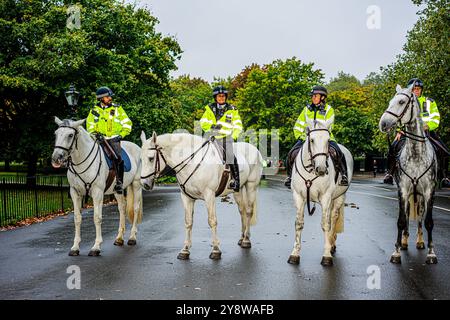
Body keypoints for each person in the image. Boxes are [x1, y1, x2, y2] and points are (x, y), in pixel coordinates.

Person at [383, 78, 449, 187]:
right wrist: (400, 130)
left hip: (426, 131)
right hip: (408, 132)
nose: (416, 91)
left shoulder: (429, 101)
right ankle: (389, 173)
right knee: (393, 147)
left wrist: (428, 126)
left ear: (421, 90)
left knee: (443, 150)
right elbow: (400, 116)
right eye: (414, 89)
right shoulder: (406, 100)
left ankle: (444, 176)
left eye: (418, 89)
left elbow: (436, 118)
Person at [284, 85, 349, 189]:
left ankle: (344, 175)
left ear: (322, 97)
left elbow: (330, 126)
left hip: (324, 138)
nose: (313, 98)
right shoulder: (306, 109)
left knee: (338, 152)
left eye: (315, 96)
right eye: (312, 96)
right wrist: (301, 136)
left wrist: (322, 135)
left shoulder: (329, 110)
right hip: (306, 138)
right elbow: (298, 125)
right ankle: (289, 177)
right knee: (291, 153)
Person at [86, 87, 132, 194]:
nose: (110, 98)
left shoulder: (117, 109)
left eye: (110, 96)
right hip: (99, 139)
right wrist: (95, 134)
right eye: (108, 97)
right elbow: (90, 126)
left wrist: (121, 135)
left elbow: (127, 123)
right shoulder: (93, 111)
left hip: (113, 139)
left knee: (117, 158)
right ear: (101, 98)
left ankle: (119, 183)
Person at [200, 85, 243, 191]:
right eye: (219, 96)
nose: (221, 98)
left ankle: (236, 181)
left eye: (223, 96)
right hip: (212, 138)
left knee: (230, 156)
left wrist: (233, 136)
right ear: (215, 97)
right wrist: (211, 126)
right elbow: (203, 122)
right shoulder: (209, 108)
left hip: (226, 138)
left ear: (226, 97)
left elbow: (238, 125)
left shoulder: (232, 110)